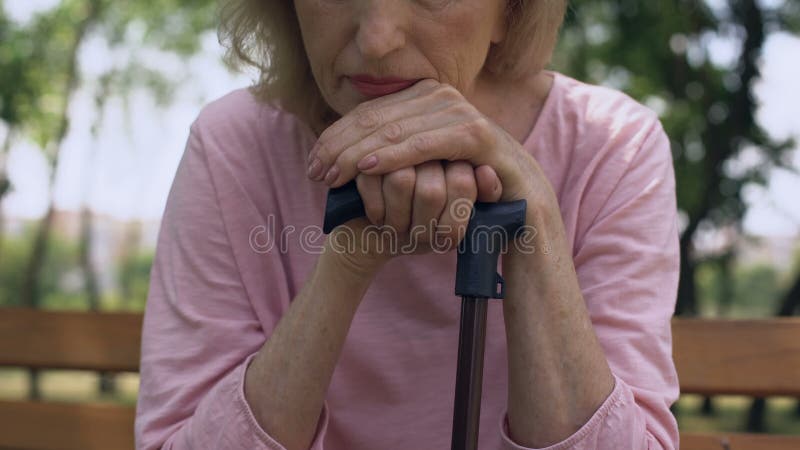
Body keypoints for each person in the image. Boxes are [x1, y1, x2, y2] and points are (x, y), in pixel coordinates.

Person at [134, 0, 681, 449]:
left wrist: (530, 209)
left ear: (509, 12)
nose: (377, 38)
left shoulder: (613, 148)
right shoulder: (234, 145)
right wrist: (349, 259)